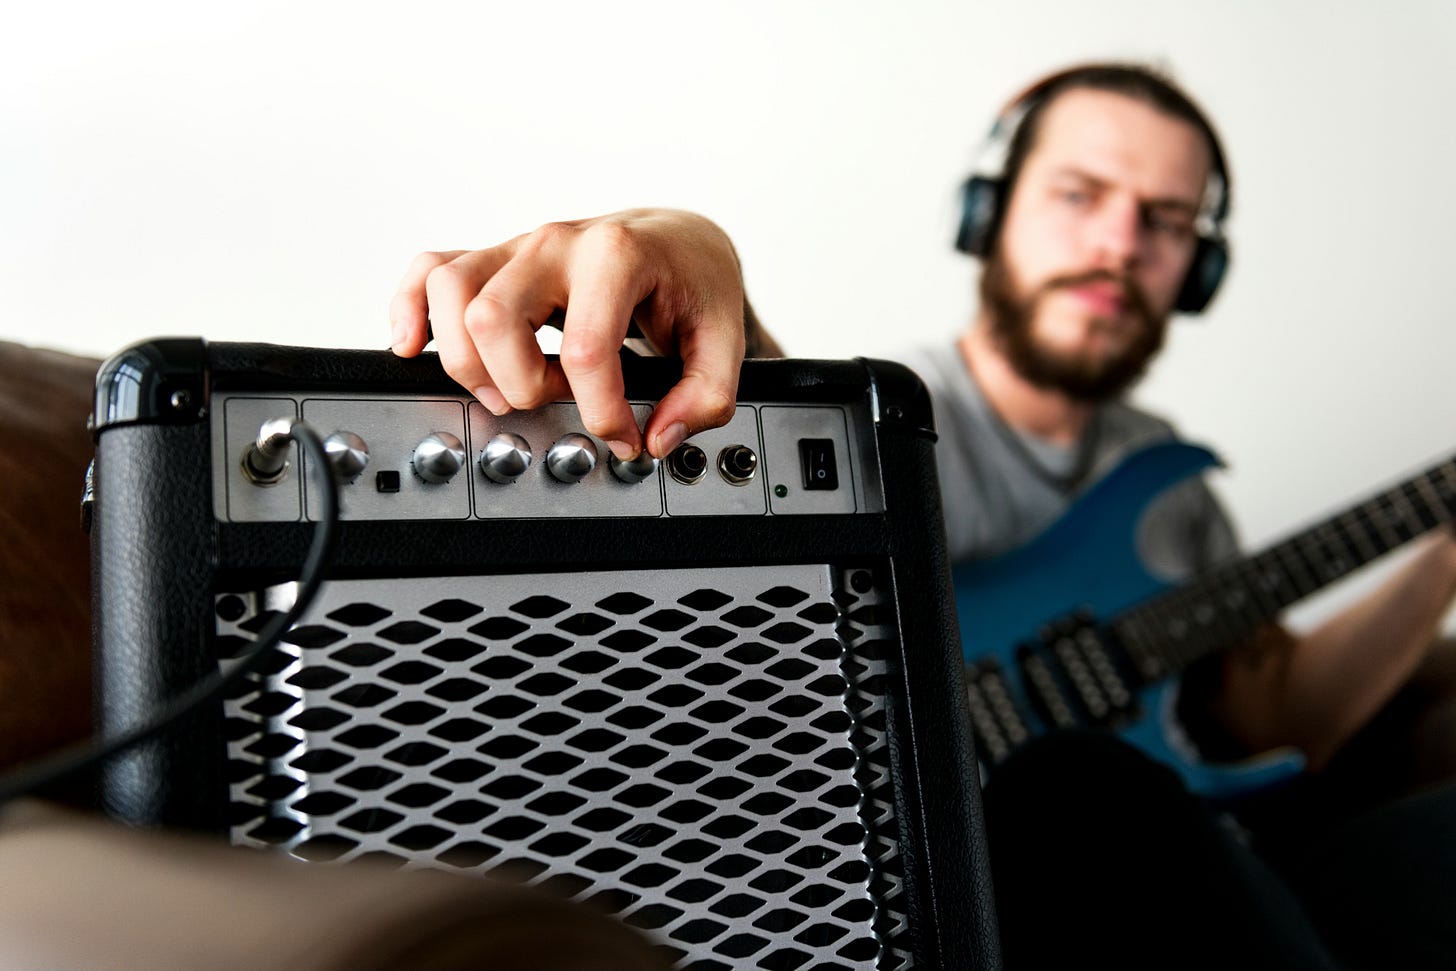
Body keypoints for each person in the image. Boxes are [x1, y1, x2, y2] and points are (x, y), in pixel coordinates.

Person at [388, 63, 1456, 969]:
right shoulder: (886, 421)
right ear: (986, 215)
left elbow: (1276, 719)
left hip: (1202, 878)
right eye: (1080, 193)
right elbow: (742, 419)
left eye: (1166, 221)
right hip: (968, 890)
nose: (1122, 241)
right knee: (1075, 784)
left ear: (1197, 269)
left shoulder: (1169, 482)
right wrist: (682, 241)